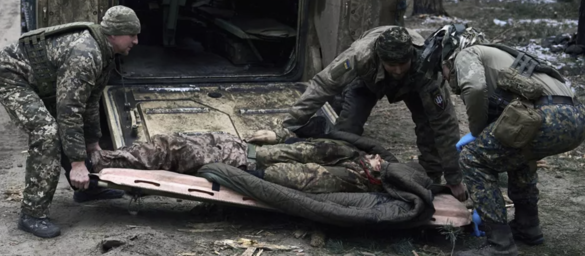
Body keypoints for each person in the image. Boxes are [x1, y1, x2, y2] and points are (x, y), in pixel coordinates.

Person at [247, 26, 466, 200]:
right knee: (345, 132)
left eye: (402, 63)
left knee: (429, 128)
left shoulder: (426, 68)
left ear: (411, 56)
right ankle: (340, 176)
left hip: (413, 85)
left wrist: (454, 178)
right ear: (380, 59)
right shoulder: (360, 55)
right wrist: (285, 129)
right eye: (392, 64)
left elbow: (444, 124)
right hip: (368, 82)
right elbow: (323, 86)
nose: (398, 70)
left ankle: (429, 178)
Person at [0, 6, 141, 239]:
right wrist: (78, 162)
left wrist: (93, 143)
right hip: (11, 77)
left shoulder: (105, 52)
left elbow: (90, 102)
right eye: (132, 35)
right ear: (114, 34)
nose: (136, 41)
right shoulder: (85, 54)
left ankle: (86, 190)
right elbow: (69, 111)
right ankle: (32, 214)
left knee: (67, 129)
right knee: (47, 132)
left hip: (41, 82)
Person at [432, 24, 585, 256]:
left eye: (442, 67)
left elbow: (474, 88)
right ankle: (528, 227)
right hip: (575, 116)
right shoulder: (500, 55)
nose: (443, 74)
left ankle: (499, 244)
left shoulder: (466, 54)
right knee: (515, 152)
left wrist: (477, 131)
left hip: (545, 116)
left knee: (473, 159)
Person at [88, 132, 387, 194]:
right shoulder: (349, 154)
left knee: (170, 149)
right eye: (377, 156)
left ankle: (100, 164)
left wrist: (255, 173)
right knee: (170, 143)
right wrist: (276, 135)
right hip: (242, 147)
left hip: (242, 160)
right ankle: (103, 162)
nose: (377, 158)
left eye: (379, 162)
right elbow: (305, 145)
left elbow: (301, 178)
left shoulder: (349, 177)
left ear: (375, 175)